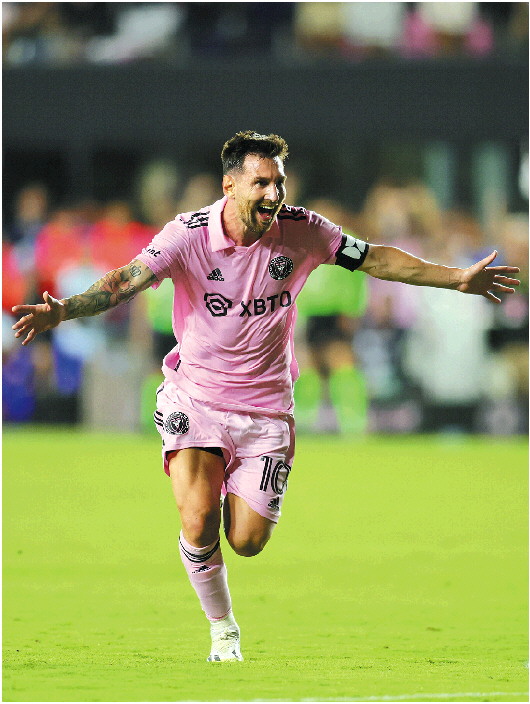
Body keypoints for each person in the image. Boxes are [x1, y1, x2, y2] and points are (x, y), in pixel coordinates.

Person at [12, 131, 520, 663]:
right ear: (229, 185)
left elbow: (376, 259)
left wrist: (455, 278)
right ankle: (222, 629)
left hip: (267, 410)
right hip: (196, 398)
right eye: (261, 183)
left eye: (279, 182)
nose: (273, 193)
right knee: (198, 519)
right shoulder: (187, 235)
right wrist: (64, 310)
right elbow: (124, 281)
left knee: (248, 540)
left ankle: (223, 510)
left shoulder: (305, 231)